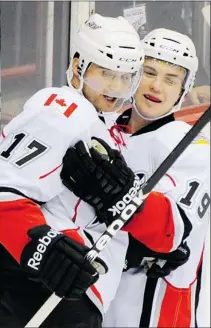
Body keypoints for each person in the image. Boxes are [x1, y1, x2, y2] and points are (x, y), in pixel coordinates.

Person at [0, 14, 145, 328]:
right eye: (105, 73)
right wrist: (43, 248)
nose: (116, 87)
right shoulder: (65, 108)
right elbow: (4, 189)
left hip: (72, 288)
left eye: (125, 77)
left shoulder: (103, 122)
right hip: (46, 290)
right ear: (78, 65)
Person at [60, 28, 210, 327]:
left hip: (154, 313)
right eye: (148, 71)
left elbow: (172, 232)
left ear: (184, 89)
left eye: (171, 79)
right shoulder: (103, 128)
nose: (156, 86)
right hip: (97, 303)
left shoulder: (191, 147)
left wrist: (118, 196)